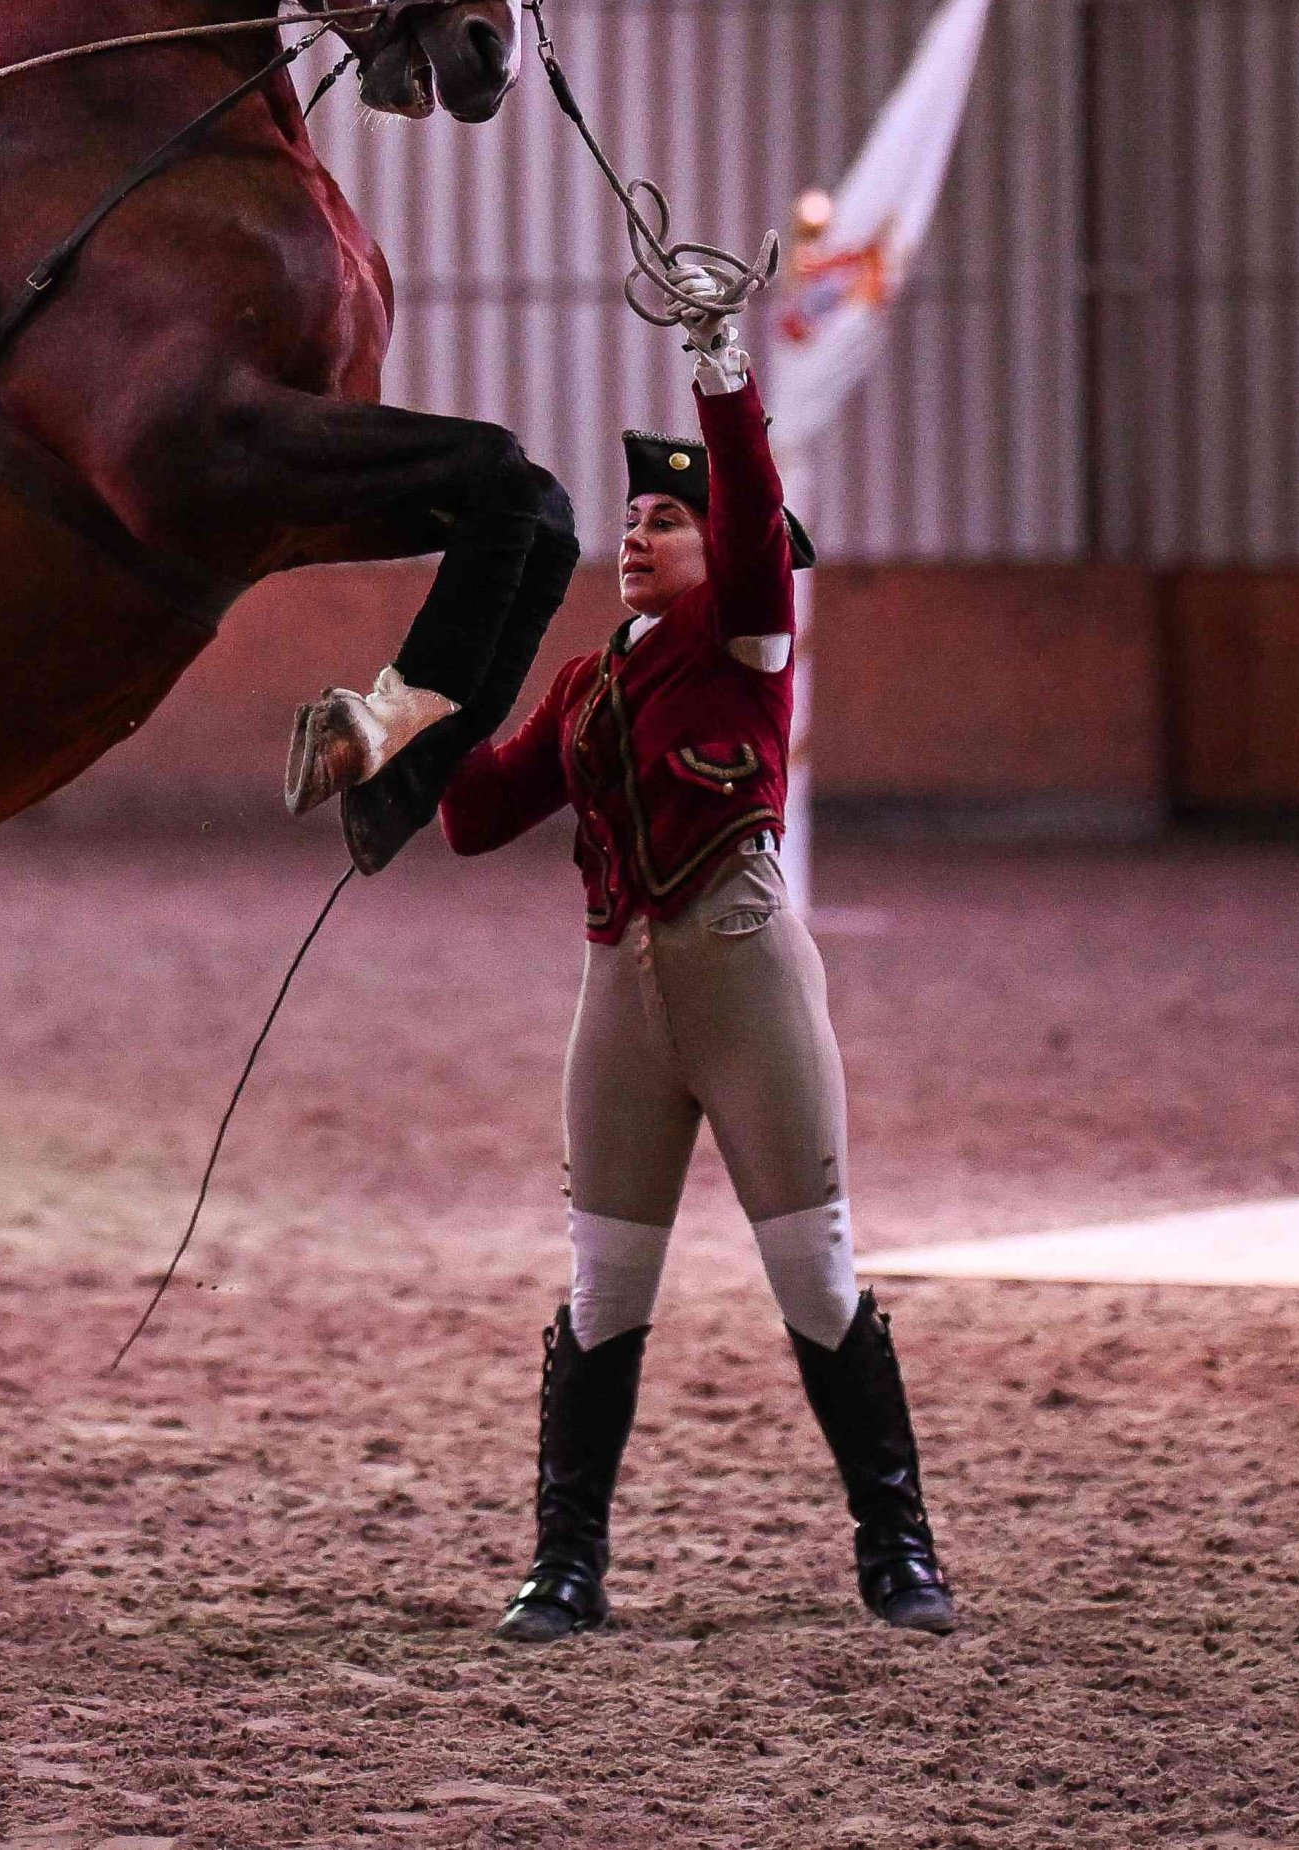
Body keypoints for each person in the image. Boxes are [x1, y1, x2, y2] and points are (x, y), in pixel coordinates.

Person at [330, 265, 954, 1642]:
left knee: (814, 1273)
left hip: (742, 979)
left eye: (664, 517)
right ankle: (565, 1563)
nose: (634, 532)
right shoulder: (589, 678)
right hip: (619, 990)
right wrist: (391, 732)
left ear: (723, 546)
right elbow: (478, 815)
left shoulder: (745, 645)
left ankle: (895, 1544)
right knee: (603, 1282)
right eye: (628, 516)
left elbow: (745, 513)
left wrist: (715, 360)